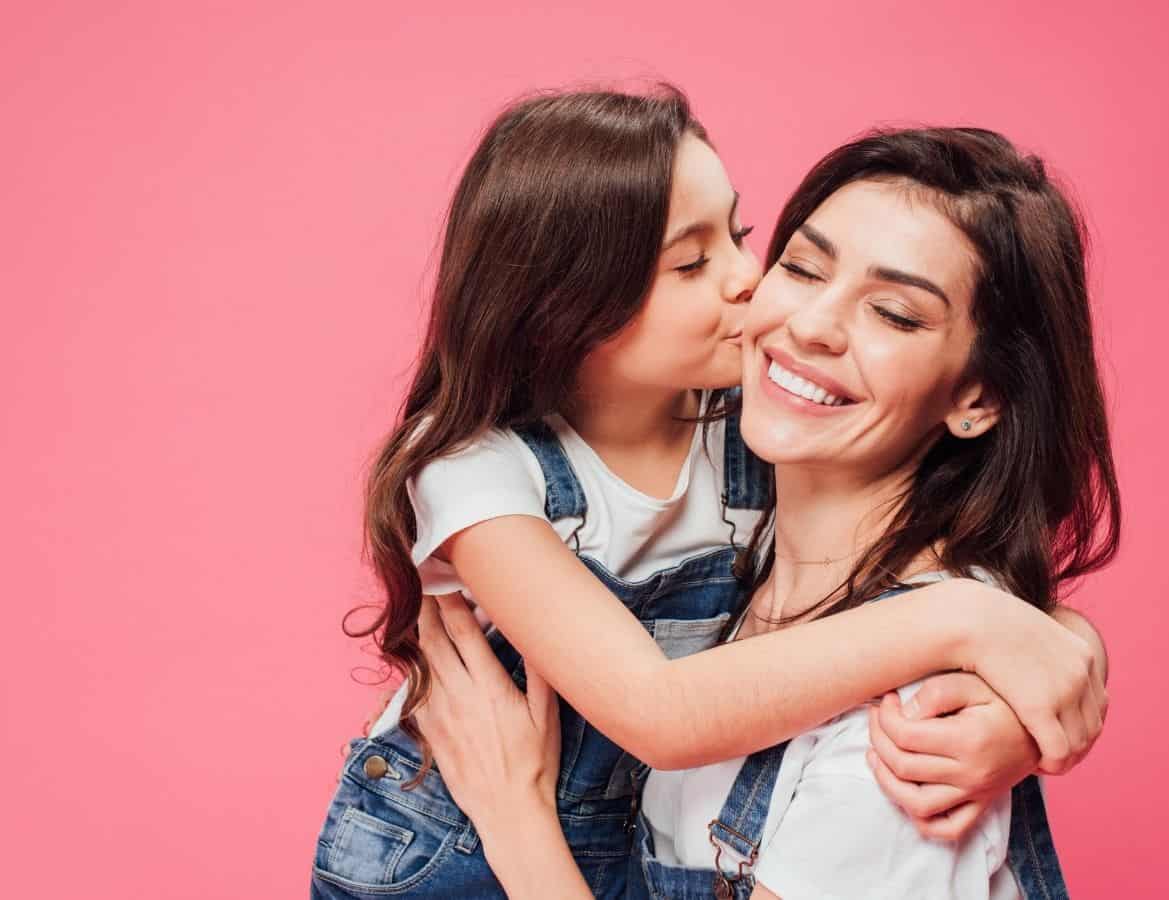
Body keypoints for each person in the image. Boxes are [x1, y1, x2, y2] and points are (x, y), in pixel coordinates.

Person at [311, 91, 1108, 899]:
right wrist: (974, 624)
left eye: (742, 238)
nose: (756, 289)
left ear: (979, 395)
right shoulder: (483, 472)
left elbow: (974, 597)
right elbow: (661, 713)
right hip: (436, 852)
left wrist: (1042, 669)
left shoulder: (743, 442)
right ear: (564, 307)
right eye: (799, 266)